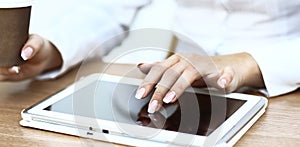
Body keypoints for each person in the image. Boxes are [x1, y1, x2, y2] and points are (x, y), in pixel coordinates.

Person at [0, 0, 299, 113]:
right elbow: (109, 7)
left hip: (284, 81)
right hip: (177, 87)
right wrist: (55, 50)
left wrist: (246, 63)